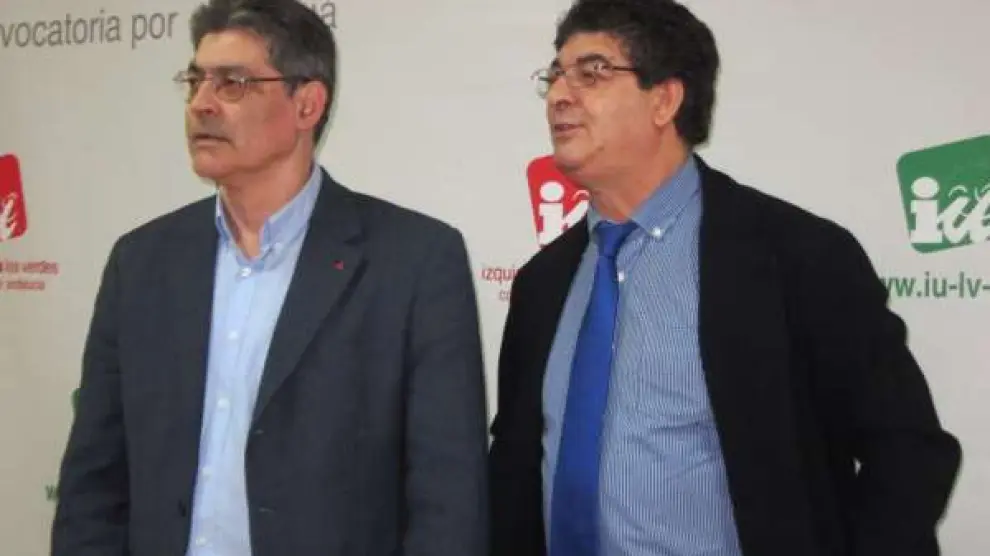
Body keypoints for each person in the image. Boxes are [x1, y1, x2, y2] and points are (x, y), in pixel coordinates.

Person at [488, 1, 961, 555]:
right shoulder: (542, 283)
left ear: (665, 100)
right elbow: (515, 468)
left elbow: (906, 453)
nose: (559, 95)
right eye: (555, 75)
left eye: (591, 73)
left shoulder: (798, 256)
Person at [50, 1, 489, 555]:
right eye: (195, 81)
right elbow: (93, 484)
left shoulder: (414, 262)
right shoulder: (141, 263)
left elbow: (448, 501)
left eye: (232, 83)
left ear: (307, 104)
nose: (201, 103)